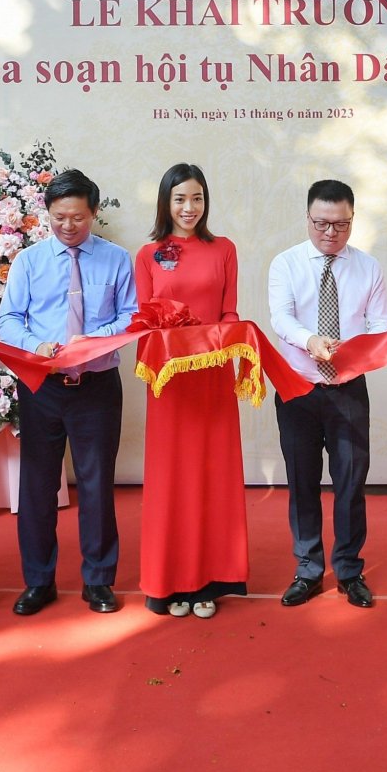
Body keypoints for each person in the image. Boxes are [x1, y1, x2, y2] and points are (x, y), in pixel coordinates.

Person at [0, 168, 139, 615]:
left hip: (96, 386)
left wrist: (92, 341)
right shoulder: (30, 261)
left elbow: (133, 317)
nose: (68, 227)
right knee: (37, 487)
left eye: (77, 217)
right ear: (48, 214)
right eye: (59, 218)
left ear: (93, 212)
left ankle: (98, 580)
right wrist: (34, 345)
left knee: (96, 486)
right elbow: (7, 321)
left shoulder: (116, 259)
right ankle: (38, 581)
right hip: (42, 387)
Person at [266, 179, 387, 609]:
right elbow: (281, 318)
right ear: (308, 218)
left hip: (347, 389)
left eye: (341, 225)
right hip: (297, 386)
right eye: (321, 223)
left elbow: (381, 324)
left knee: (350, 483)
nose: (330, 233)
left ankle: (350, 570)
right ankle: (307, 569)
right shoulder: (285, 264)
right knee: (302, 482)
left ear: (352, 220)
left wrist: (357, 347)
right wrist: (310, 340)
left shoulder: (368, 267)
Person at [132, 163, 246, 619]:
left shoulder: (224, 249)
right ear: (166, 203)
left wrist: (218, 344)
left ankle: (208, 581)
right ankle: (170, 581)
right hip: (169, 382)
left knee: (211, 474)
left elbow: (231, 315)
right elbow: (141, 321)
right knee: (172, 478)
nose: (189, 208)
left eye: (196, 198)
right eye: (180, 199)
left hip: (212, 376)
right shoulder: (147, 255)